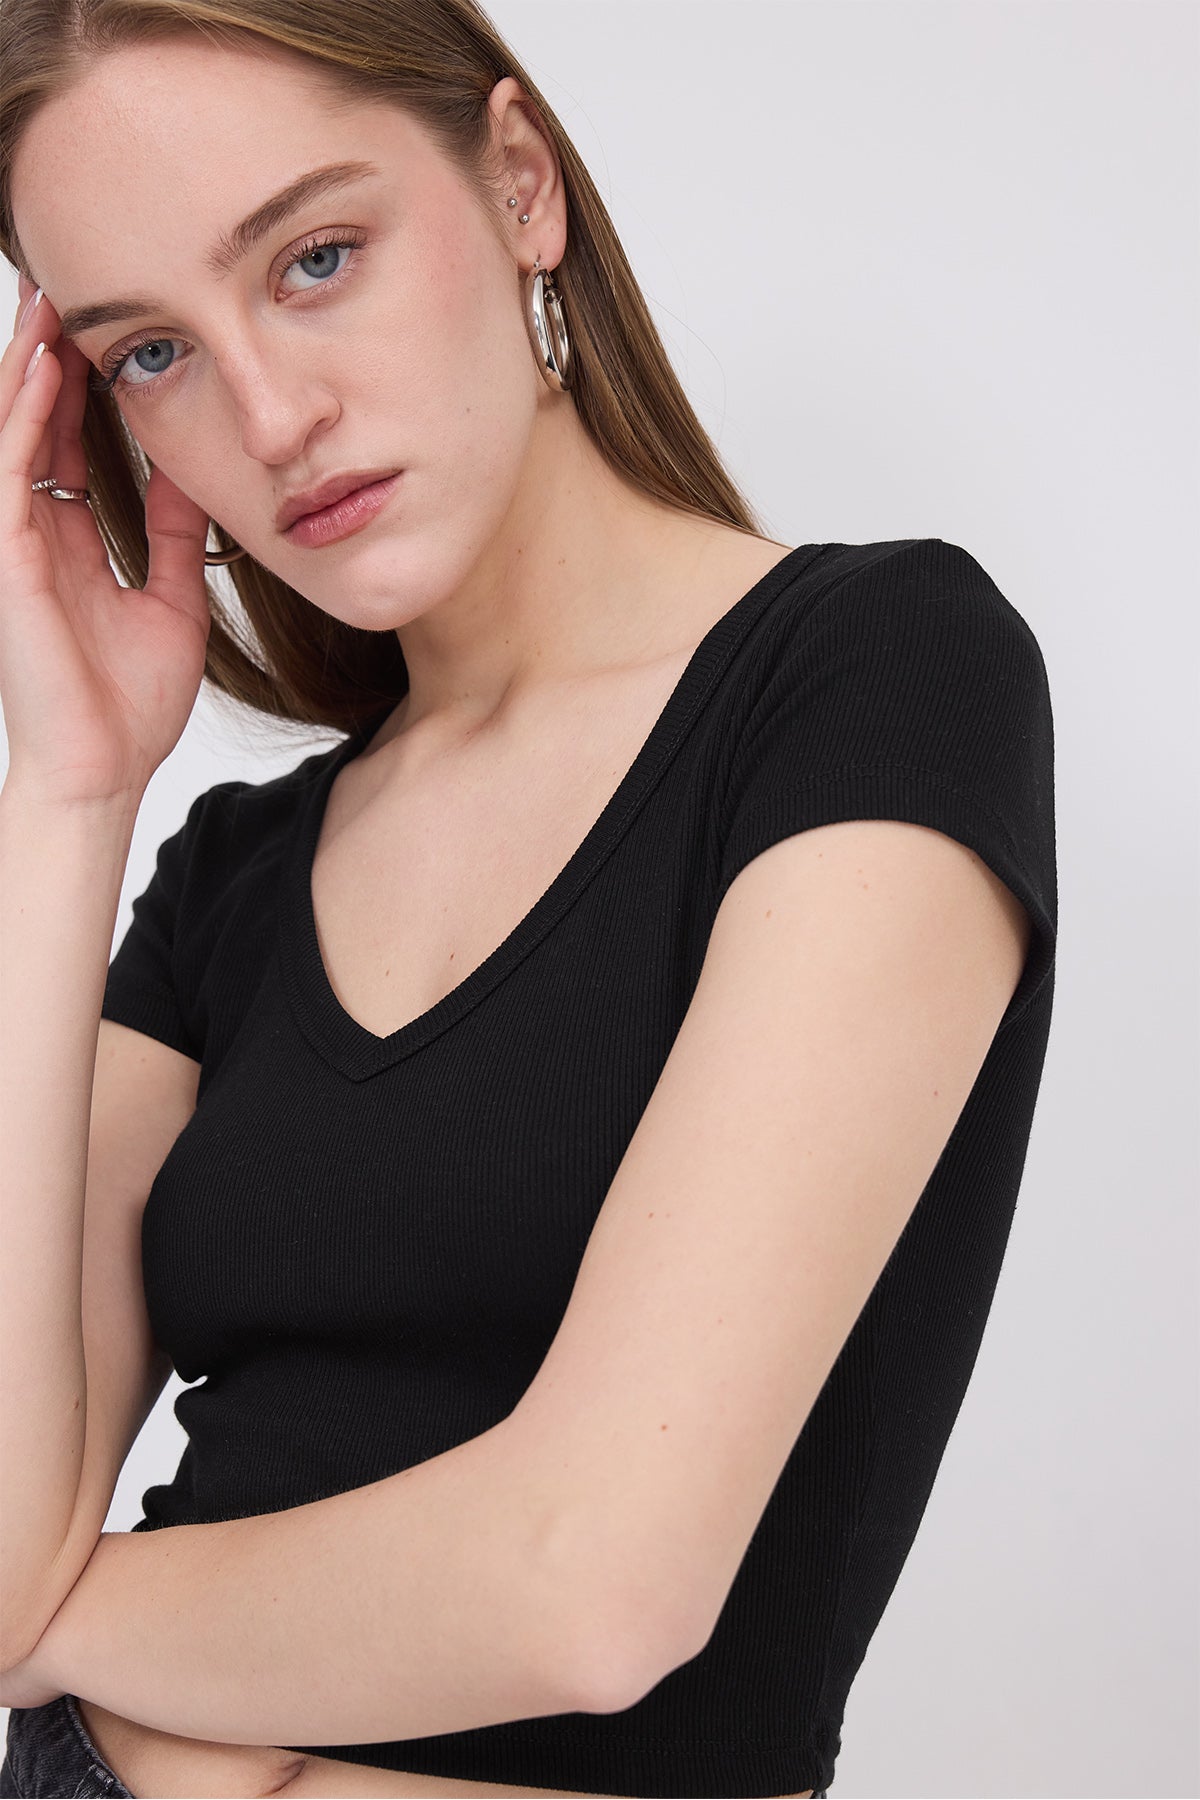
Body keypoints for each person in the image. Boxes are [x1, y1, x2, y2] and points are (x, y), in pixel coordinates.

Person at [0, 1, 1057, 1796]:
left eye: (315, 258)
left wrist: (42, 1618)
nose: (271, 415)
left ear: (517, 181)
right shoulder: (230, 881)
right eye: (152, 352)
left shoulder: (872, 679)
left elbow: (596, 1587)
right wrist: (70, 793)